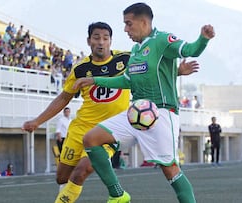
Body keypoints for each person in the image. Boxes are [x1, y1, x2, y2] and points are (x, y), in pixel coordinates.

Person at [23, 22, 198, 203]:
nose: (101, 42)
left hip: (110, 130)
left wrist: (177, 71)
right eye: (96, 38)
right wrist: (37, 121)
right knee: (62, 177)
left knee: (81, 171)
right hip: (80, 127)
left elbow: (151, 72)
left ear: (110, 41)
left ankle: (115, 195)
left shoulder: (126, 59)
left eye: (105, 38)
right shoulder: (80, 69)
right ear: (89, 41)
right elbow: (63, 98)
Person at [73, 3, 214, 202]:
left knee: (170, 169)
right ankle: (118, 195)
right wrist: (95, 80)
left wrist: (203, 39)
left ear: (143, 22)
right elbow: (127, 81)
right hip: (136, 112)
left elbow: (191, 49)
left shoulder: (163, 40)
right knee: (91, 139)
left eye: (129, 24)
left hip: (161, 114)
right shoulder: (136, 50)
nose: (125, 29)